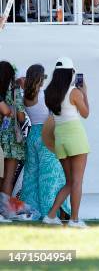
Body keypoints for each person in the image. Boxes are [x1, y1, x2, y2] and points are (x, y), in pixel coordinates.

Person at [41, 58, 90, 228]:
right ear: (70, 73)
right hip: (75, 137)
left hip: (60, 138)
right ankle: (74, 220)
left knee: (70, 182)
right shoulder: (75, 92)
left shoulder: (49, 93)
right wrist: (85, 93)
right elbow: (85, 114)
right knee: (77, 182)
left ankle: (51, 215)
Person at [19, 64, 70, 220]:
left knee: (31, 176)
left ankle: (31, 211)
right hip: (46, 135)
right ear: (40, 78)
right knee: (51, 175)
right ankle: (50, 212)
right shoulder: (45, 95)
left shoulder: (25, 96)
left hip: (32, 135)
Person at [0, 62, 26, 196]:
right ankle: (4, 212)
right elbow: (21, 118)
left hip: (0, 138)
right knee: (8, 179)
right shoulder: (15, 92)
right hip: (12, 139)